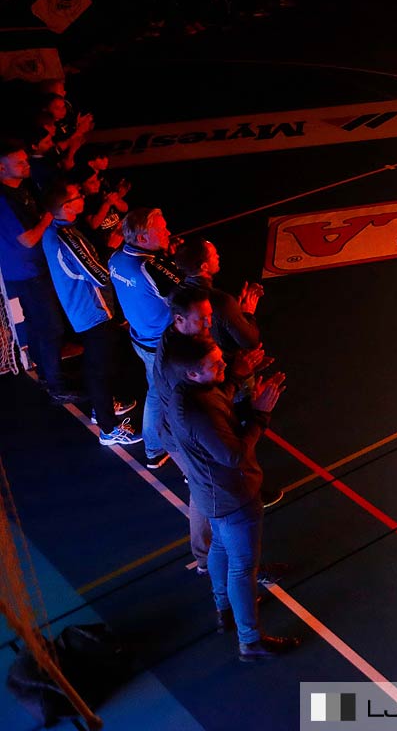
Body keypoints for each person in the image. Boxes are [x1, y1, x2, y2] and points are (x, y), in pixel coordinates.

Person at [160, 331, 299, 661]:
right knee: (243, 567)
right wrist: (261, 412)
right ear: (194, 372)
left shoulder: (187, 392)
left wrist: (235, 377)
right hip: (233, 495)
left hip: (210, 493)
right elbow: (233, 455)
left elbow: (219, 394)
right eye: (215, 364)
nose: (224, 363)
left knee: (221, 546)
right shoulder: (201, 412)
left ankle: (224, 607)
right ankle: (249, 641)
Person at [42, 183, 141, 445]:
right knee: (99, 369)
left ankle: (104, 406)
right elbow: (97, 274)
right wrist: (112, 248)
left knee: (101, 364)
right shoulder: (67, 237)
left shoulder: (58, 231)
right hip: (92, 310)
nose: (82, 198)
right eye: (77, 196)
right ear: (65, 207)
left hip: (85, 310)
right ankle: (108, 428)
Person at [0, 140, 76, 401]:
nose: (26, 165)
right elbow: (28, 239)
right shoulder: (4, 199)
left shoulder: (22, 189)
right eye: (19, 162)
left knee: (37, 325)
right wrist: (49, 215)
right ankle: (56, 384)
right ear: (1, 168)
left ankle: (47, 374)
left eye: (25, 160)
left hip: (32, 270)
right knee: (50, 328)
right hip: (27, 273)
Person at [109, 207, 184, 467]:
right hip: (160, 344)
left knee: (155, 389)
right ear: (142, 238)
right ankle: (154, 447)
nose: (168, 232)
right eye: (161, 230)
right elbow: (186, 296)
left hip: (140, 337)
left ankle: (156, 445)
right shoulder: (149, 267)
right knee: (163, 395)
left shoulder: (115, 259)